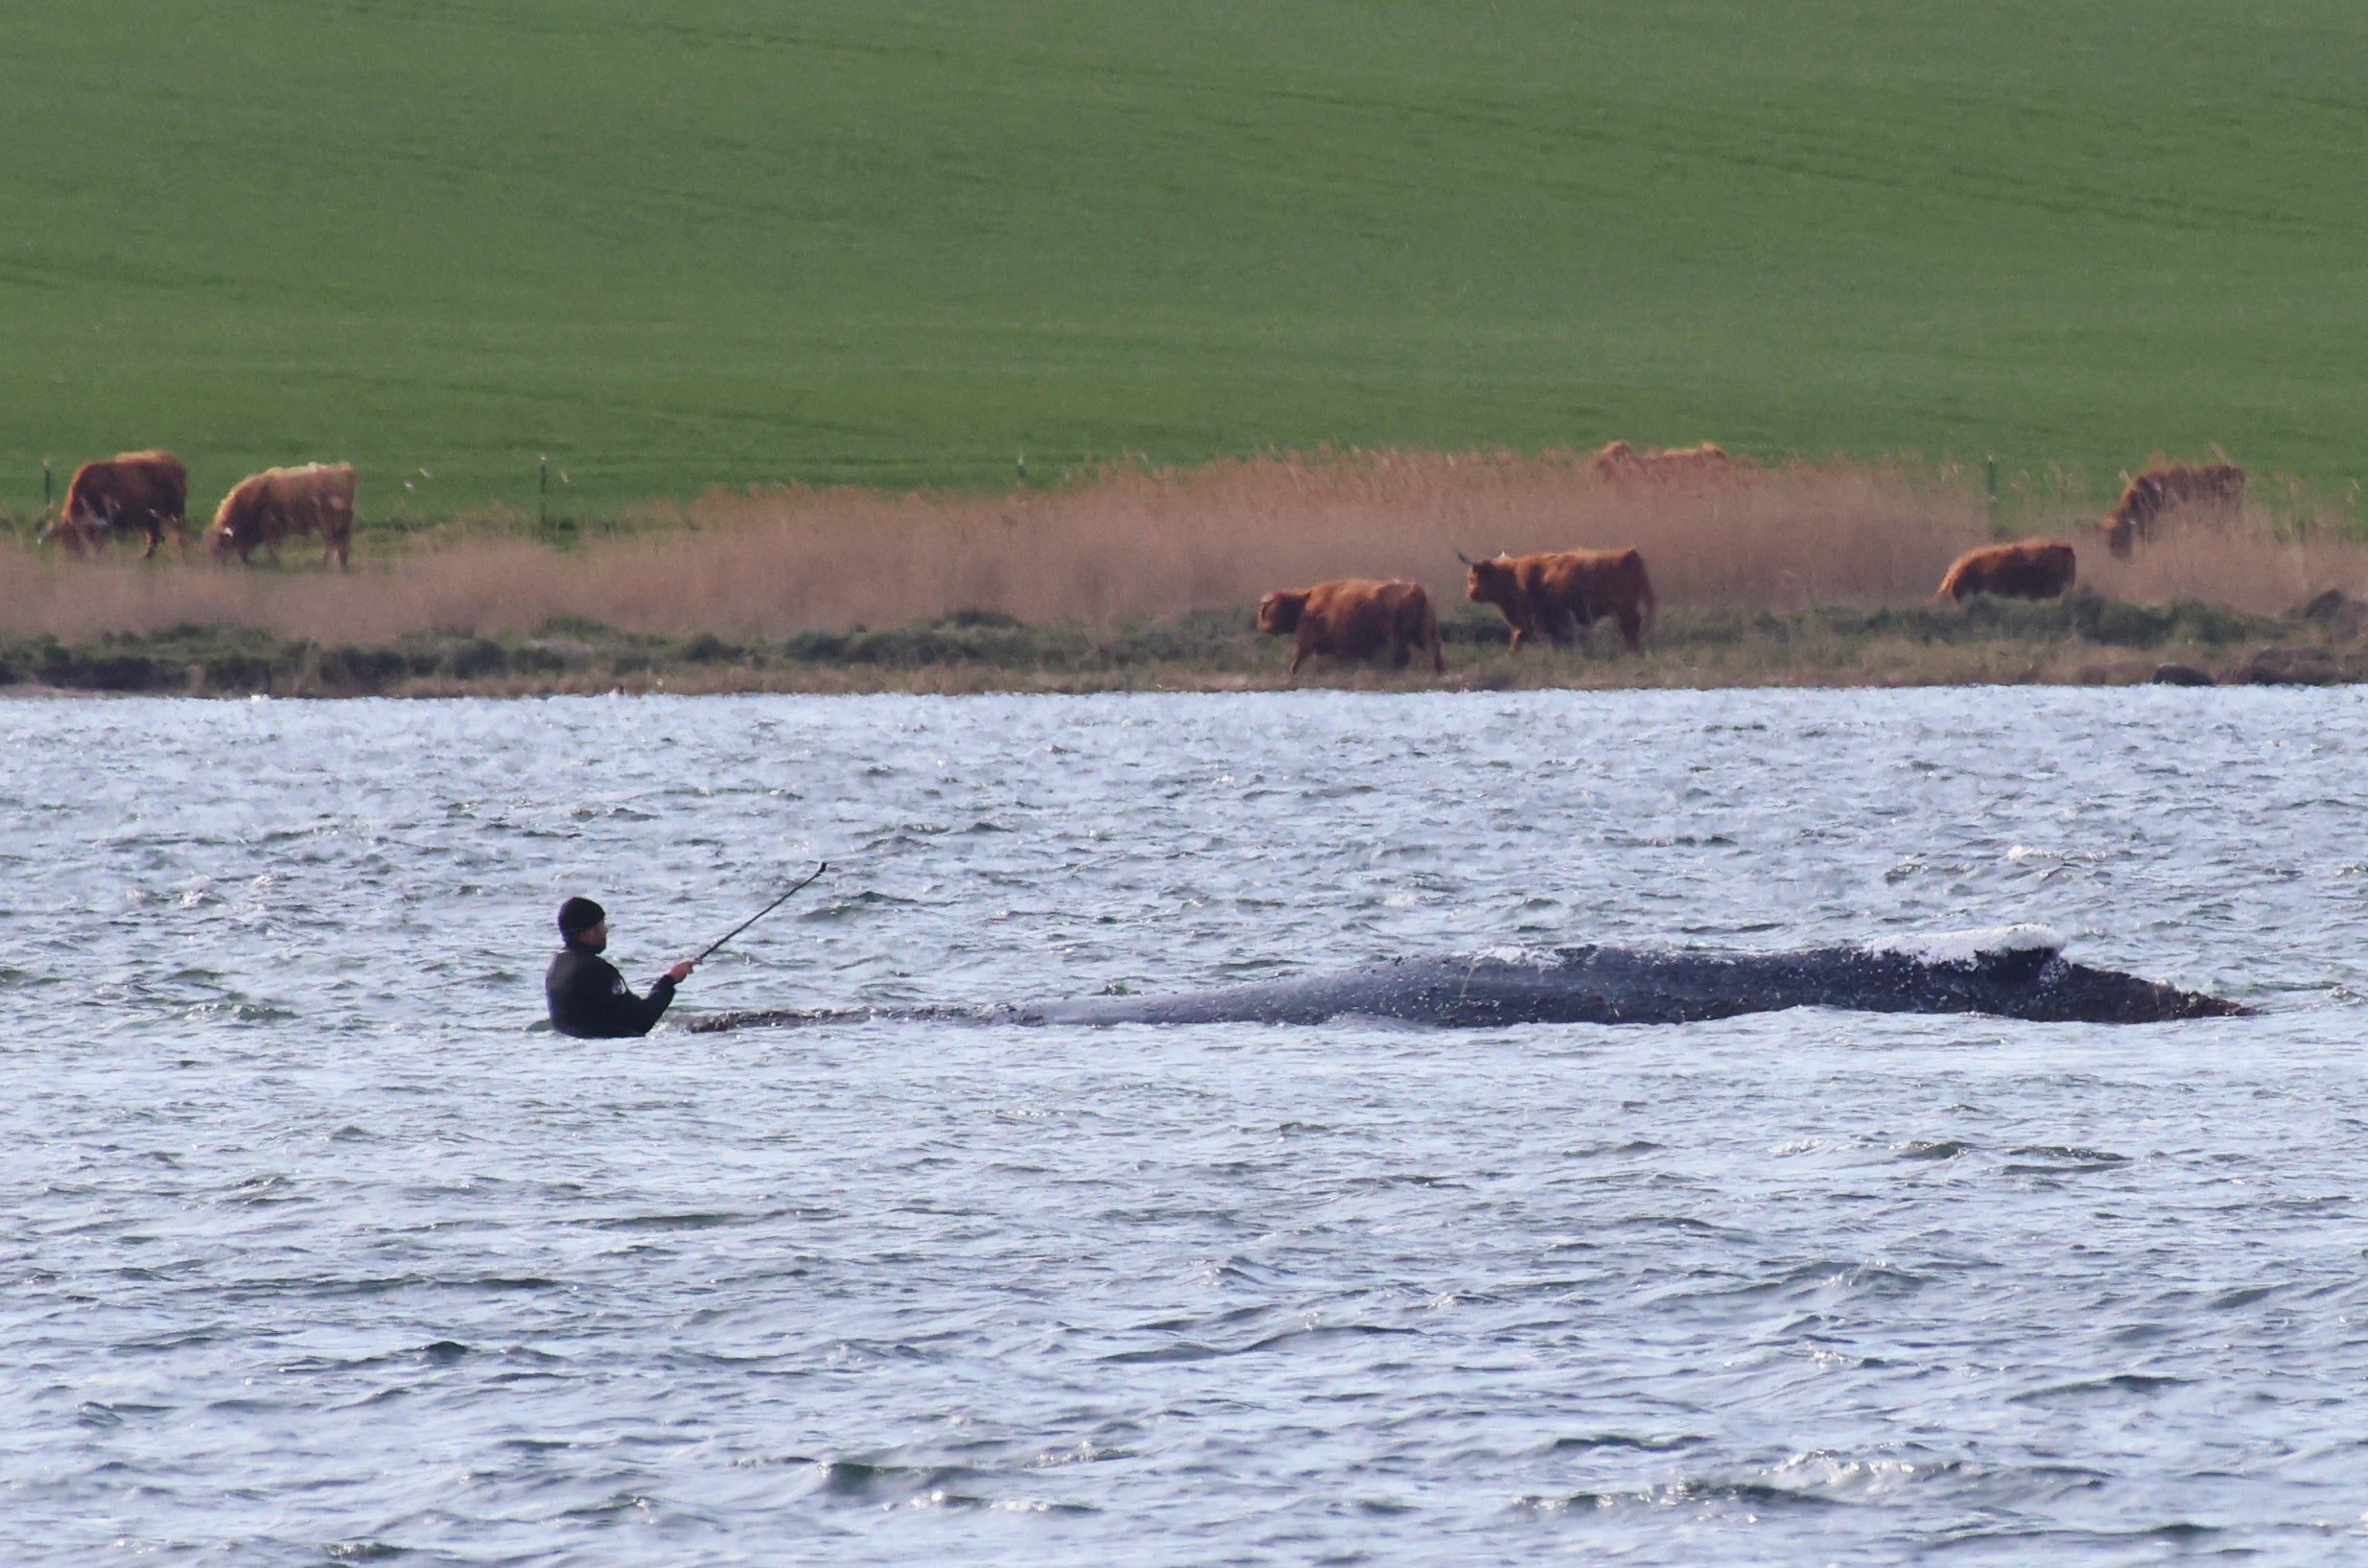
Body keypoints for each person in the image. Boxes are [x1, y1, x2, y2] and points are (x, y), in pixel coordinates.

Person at [546, 896, 697, 1038]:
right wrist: (669, 981)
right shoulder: (596, 970)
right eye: (602, 924)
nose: (606, 930)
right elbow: (641, 1021)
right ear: (588, 933)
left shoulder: (556, 968)